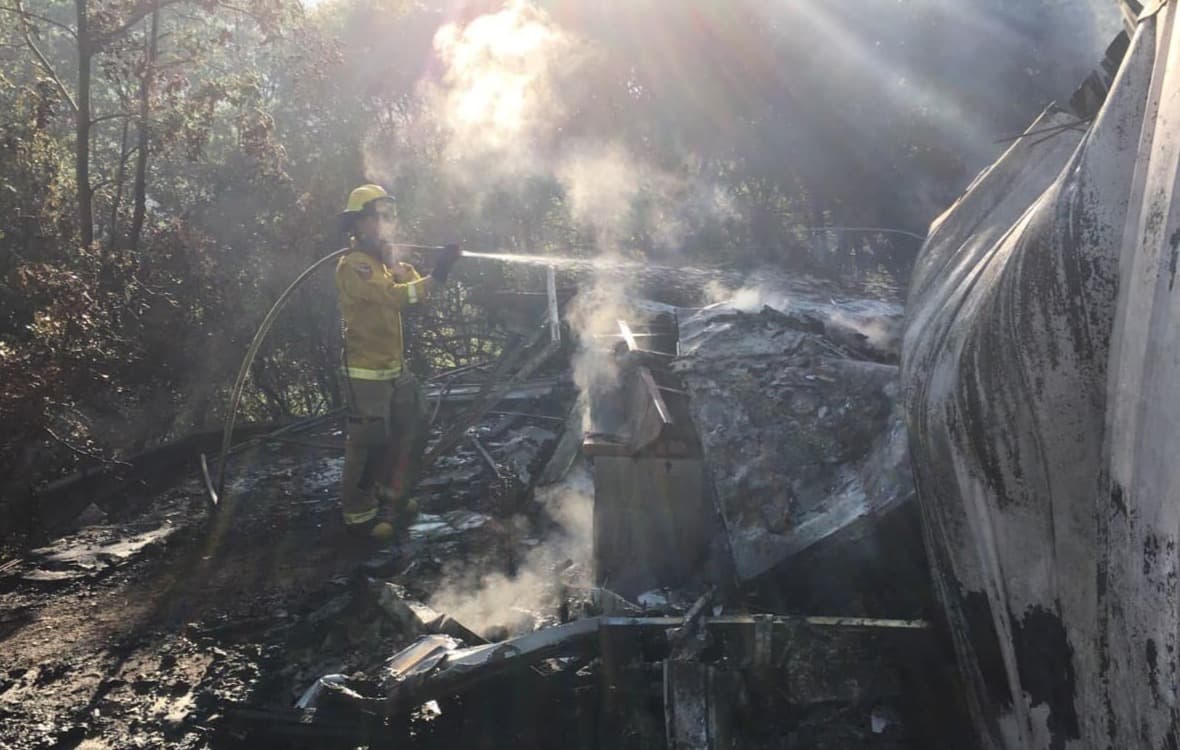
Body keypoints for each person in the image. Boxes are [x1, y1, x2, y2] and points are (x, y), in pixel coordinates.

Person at [334, 184, 460, 542]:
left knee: (415, 422)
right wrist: (439, 273)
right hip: (366, 374)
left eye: (389, 218)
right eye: (378, 218)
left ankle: (391, 494)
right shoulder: (355, 267)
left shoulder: (383, 264)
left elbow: (413, 286)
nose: (385, 225)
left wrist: (440, 269)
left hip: (394, 369)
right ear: (358, 224)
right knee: (369, 442)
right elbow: (396, 296)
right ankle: (359, 516)